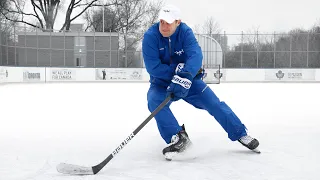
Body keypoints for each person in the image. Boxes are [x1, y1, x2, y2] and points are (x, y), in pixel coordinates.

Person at [142, 4, 259, 160]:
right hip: (161, 82)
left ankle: (240, 133)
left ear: (178, 22)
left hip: (188, 80)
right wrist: (177, 71)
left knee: (214, 103)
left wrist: (185, 75)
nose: (164, 26)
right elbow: (153, 67)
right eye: (162, 21)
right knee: (154, 101)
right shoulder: (150, 36)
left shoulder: (185, 32)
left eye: (168, 22)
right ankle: (178, 138)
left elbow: (195, 56)